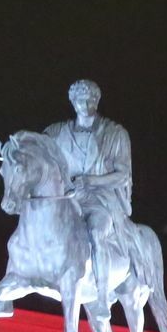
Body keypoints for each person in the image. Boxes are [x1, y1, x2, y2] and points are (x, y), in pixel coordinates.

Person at [43, 79, 134, 288]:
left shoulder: (115, 134)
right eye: (80, 101)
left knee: (95, 232)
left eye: (89, 101)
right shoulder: (56, 133)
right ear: (72, 102)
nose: (84, 106)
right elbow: (31, 150)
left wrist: (91, 181)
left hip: (99, 199)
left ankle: (102, 292)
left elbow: (123, 174)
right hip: (65, 199)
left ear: (97, 101)